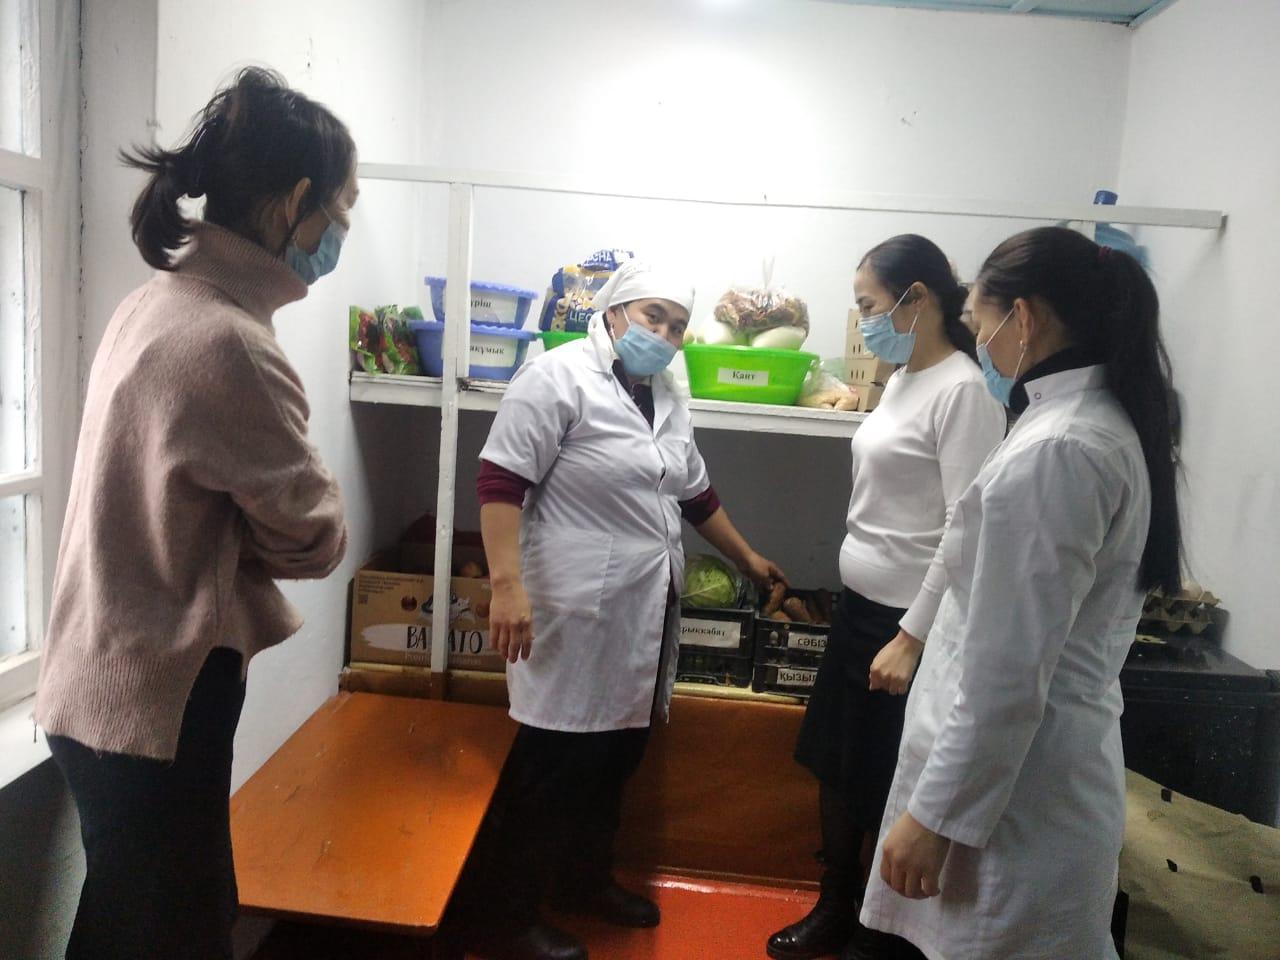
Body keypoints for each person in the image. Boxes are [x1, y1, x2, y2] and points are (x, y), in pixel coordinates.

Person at [35, 67, 356, 960]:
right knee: (177, 930)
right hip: (159, 702)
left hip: (95, 683)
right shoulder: (230, 344)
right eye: (341, 208)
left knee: (128, 920)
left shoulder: (155, 303)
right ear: (294, 203)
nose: (341, 231)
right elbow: (315, 538)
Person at [447, 259, 787, 960]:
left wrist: (748, 557)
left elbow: (693, 492)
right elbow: (500, 480)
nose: (664, 334)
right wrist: (505, 586)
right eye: (652, 316)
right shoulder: (557, 377)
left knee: (614, 758)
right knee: (554, 764)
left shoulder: (667, 391)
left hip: (642, 609)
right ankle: (504, 916)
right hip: (570, 607)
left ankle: (583, 882)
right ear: (614, 311)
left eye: (677, 325)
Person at [861, 226, 1182, 960]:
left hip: (1016, 801)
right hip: (1025, 778)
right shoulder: (1071, 423)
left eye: (979, 321)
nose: (978, 342)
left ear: (1024, 318)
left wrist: (933, 818)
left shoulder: (1058, 450)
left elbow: (1008, 674)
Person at [768, 235, 1006, 960]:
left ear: (917, 298)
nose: (865, 321)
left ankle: (880, 931)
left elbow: (965, 528)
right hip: (859, 609)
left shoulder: (964, 390)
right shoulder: (903, 378)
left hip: (906, 625)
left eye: (869, 305)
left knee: (887, 778)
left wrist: (912, 636)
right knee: (839, 765)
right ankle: (834, 906)